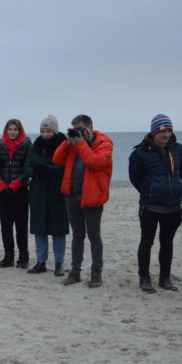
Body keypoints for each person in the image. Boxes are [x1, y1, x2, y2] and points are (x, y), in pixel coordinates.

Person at [128, 114, 182, 294]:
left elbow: (180, 171)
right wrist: (151, 191)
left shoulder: (178, 149)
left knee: (167, 243)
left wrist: (172, 189)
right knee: (147, 242)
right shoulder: (139, 153)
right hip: (150, 206)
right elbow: (134, 178)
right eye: (162, 131)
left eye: (169, 131)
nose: (166, 134)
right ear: (154, 132)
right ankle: (144, 277)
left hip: (173, 206)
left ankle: (165, 278)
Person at [53, 114, 113, 288]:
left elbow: (94, 162)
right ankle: (75, 272)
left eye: (81, 129)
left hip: (93, 196)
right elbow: (57, 160)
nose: (79, 132)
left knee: (94, 236)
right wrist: (67, 143)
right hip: (72, 194)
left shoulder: (104, 144)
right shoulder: (73, 144)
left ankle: (96, 273)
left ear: (90, 127)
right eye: (75, 129)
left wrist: (80, 144)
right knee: (77, 236)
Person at [23, 116, 69, 276]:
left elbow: (65, 167)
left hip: (57, 192)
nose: (45, 134)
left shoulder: (63, 145)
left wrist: (48, 169)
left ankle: (59, 264)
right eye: (43, 131)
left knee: (58, 230)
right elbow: (27, 167)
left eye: (48, 131)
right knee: (39, 229)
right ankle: (41, 262)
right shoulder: (35, 146)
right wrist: (36, 171)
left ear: (54, 131)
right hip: (38, 191)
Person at [0, 119, 33, 268]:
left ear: (20, 131)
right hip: (4, 192)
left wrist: (18, 182)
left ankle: (23, 257)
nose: (12, 132)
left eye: (15, 129)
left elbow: (29, 167)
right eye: (10, 129)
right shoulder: (0, 144)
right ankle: (8, 255)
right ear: (6, 130)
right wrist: (0, 183)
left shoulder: (27, 144)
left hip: (20, 190)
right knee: (5, 225)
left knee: (21, 225)